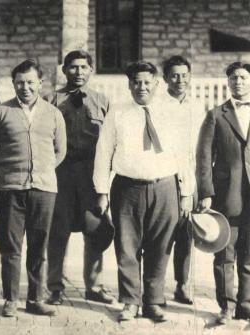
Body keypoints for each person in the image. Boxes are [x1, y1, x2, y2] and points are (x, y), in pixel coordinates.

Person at [93, 61, 193, 322]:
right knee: (127, 247)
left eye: (147, 82)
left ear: (156, 84)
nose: (142, 87)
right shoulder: (117, 112)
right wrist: (102, 192)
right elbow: (103, 153)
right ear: (129, 85)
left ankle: (153, 301)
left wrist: (186, 192)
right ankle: (129, 302)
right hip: (127, 188)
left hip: (165, 187)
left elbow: (183, 154)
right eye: (136, 82)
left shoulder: (171, 112)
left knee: (160, 247)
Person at [0, 59, 66, 317]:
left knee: (39, 247)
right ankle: (11, 299)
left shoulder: (54, 114)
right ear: (13, 84)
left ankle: (35, 299)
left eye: (30, 82)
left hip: (44, 190)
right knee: (11, 247)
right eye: (20, 82)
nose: (25, 87)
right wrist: (8, 169)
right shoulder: (0, 113)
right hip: (9, 189)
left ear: (40, 83)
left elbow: (60, 151)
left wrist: (43, 169)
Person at [44, 50, 115, 306]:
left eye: (84, 67)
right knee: (57, 232)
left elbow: (110, 141)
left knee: (95, 229)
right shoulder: (50, 100)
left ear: (91, 70)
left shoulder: (102, 101)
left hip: (91, 176)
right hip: (60, 173)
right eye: (73, 67)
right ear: (64, 70)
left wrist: (105, 182)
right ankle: (54, 287)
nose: (79, 72)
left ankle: (94, 286)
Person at [195, 61, 250, 324]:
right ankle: (226, 307)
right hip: (228, 194)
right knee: (225, 253)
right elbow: (204, 157)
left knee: (249, 254)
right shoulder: (216, 115)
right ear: (228, 83)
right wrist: (206, 192)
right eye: (233, 78)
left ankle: (246, 305)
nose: (238, 82)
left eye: (243, 77)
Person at [162, 55, 205, 306]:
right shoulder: (158, 105)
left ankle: (182, 283)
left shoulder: (196, 106)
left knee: (187, 231)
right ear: (166, 77)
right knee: (160, 232)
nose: (180, 80)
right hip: (166, 176)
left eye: (185, 75)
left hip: (192, 175)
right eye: (175, 75)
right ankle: (154, 287)